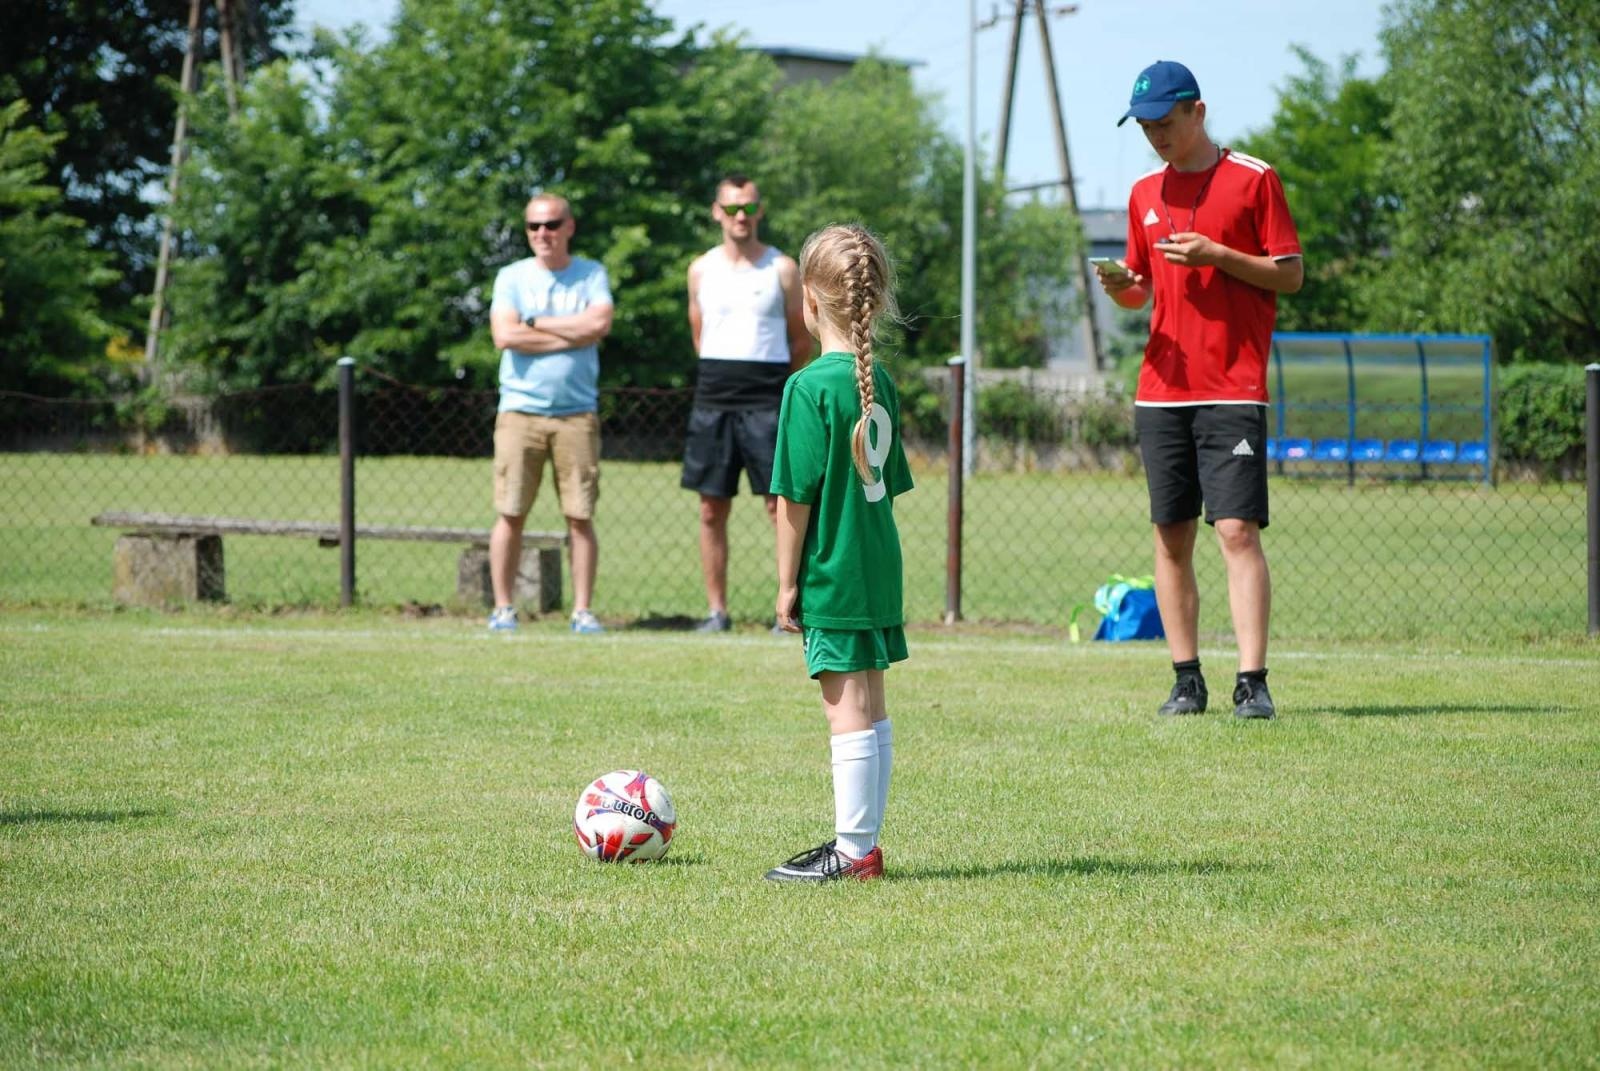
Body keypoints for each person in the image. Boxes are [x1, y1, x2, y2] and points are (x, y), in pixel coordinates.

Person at [1096, 60, 1303, 719]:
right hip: (1161, 389)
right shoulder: (1142, 194)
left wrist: (1218, 255)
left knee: (1237, 530)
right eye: (1145, 126)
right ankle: (1187, 680)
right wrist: (1120, 287)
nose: (1154, 134)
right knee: (1170, 535)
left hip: (1234, 386)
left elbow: (1289, 274)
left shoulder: (1254, 180)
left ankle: (1253, 681)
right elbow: (1142, 291)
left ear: (1198, 112)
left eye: (1164, 122)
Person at [764, 224, 913, 883]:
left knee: (844, 708)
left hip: (834, 569)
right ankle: (863, 846)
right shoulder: (878, 378)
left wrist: (785, 582)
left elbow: (794, 499)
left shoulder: (808, 388)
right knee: (870, 703)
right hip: (878, 566)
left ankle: (853, 853)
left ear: (809, 302)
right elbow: (890, 485)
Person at [682, 174, 812, 632]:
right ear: (717, 211)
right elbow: (699, 335)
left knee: (780, 506)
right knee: (711, 508)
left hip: (767, 399)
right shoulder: (701, 269)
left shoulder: (783, 268)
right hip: (714, 397)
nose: (741, 217)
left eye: (749, 208)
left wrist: (775, 388)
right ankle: (717, 611)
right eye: (732, 208)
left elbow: (801, 339)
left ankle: (789, 608)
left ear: (760, 211)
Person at [485, 192, 614, 634]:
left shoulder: (591, 273)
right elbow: (504, 334)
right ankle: (502, 608)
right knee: (510, 511)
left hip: (577, 414)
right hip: (519, 412)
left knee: (580, 515)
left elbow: (599, 325)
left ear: (569, 227)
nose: (543, 233)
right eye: (534, 226)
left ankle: (582, 611)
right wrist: (570, 333)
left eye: (552, 224)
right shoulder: (511, 277)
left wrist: (535, 324)